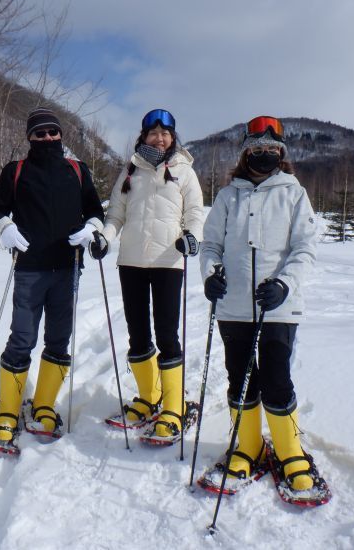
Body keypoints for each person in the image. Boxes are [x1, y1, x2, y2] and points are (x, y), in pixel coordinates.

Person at [198, 115, 322, 496]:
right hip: (233, 306)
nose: (264, 155)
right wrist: (210, 274)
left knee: (276, 379)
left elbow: (306, 247)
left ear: (280, 155)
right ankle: (247, 446)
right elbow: (210, 246)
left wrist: (285, 284)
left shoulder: (294, 193)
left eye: (272, 150)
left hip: (278, 307)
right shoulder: (226, 196)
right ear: (245, 153)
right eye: (257, 149)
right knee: (240, 376)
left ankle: (289, 452)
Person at [0, 108, 104, 453]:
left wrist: (92, 228)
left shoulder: (77, 170)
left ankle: (45, 405)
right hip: (29, 268)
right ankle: (8, 410)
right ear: (30, 137)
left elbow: (96, 210)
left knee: (58, 338)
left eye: (53, 132)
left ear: (60, 135)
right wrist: (4, 228)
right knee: (22, 337)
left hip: (68, 268)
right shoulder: (16, 170)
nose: (48, 138)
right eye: (40, 133)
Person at [92, 108, 204, 446]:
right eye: (153, 132)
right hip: (131, 262)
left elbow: (195, 212)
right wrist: (104, 238)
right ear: (143, 136)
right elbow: (116, 213)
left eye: (165, 133)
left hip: (168, 261)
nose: (159, 137)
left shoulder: (185, 170)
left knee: (168, 334)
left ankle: (173, 407)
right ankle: (147, 396)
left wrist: (192, 236)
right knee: (138, 334)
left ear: (173, 137)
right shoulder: (130, 170)